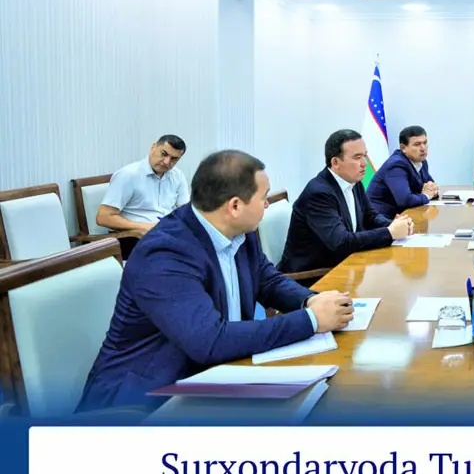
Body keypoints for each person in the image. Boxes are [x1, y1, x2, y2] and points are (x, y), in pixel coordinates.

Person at [78, 150, 354, 411]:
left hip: (221, 375)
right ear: (235, 206)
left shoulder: (241, 231)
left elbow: (267, 280)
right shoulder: (165, 253)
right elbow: (209, 341)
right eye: (263, 197)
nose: (267, 204)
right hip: (144, 403)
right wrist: (311, 320)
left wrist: (310, 300)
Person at [279, 129, 413, 275]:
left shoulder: (354, 181)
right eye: (357, 157)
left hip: (345, 265)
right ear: (335, 162)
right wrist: (389, 232)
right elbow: (341, 243)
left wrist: (394, 224)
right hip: (313, 275)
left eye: (365, 156)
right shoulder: (319, 193)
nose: (364, 163)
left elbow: (370, 217)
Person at [96, 135, 190, 234]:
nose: (167, 162)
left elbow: (185, 212)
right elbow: (103, 217)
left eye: (174, 159)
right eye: (163, 154)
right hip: (134, 236)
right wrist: (144, 227)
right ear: (153, 147)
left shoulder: (177, 176)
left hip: (167, 232)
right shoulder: (128, 175)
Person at [366, 125, 439, 218]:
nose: (423, 148)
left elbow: (431, 187)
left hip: (404, 215)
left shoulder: (422, 162)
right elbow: (405, 200)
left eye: (425, 143)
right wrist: (426, 196)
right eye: (417, 144)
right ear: (403, 148)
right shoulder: (396, 166)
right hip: (381, 218)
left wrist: (432, 191)